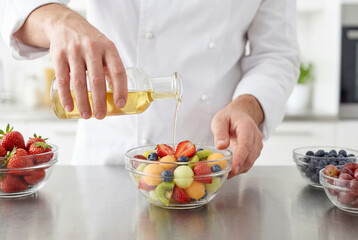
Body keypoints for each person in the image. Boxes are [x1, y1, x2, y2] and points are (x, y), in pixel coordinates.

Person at [0, 1, 299, 178]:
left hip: (213, 166)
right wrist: (57, 19)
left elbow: (276, 54)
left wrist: (248, 106)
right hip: (106, 166)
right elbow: (15, 8)